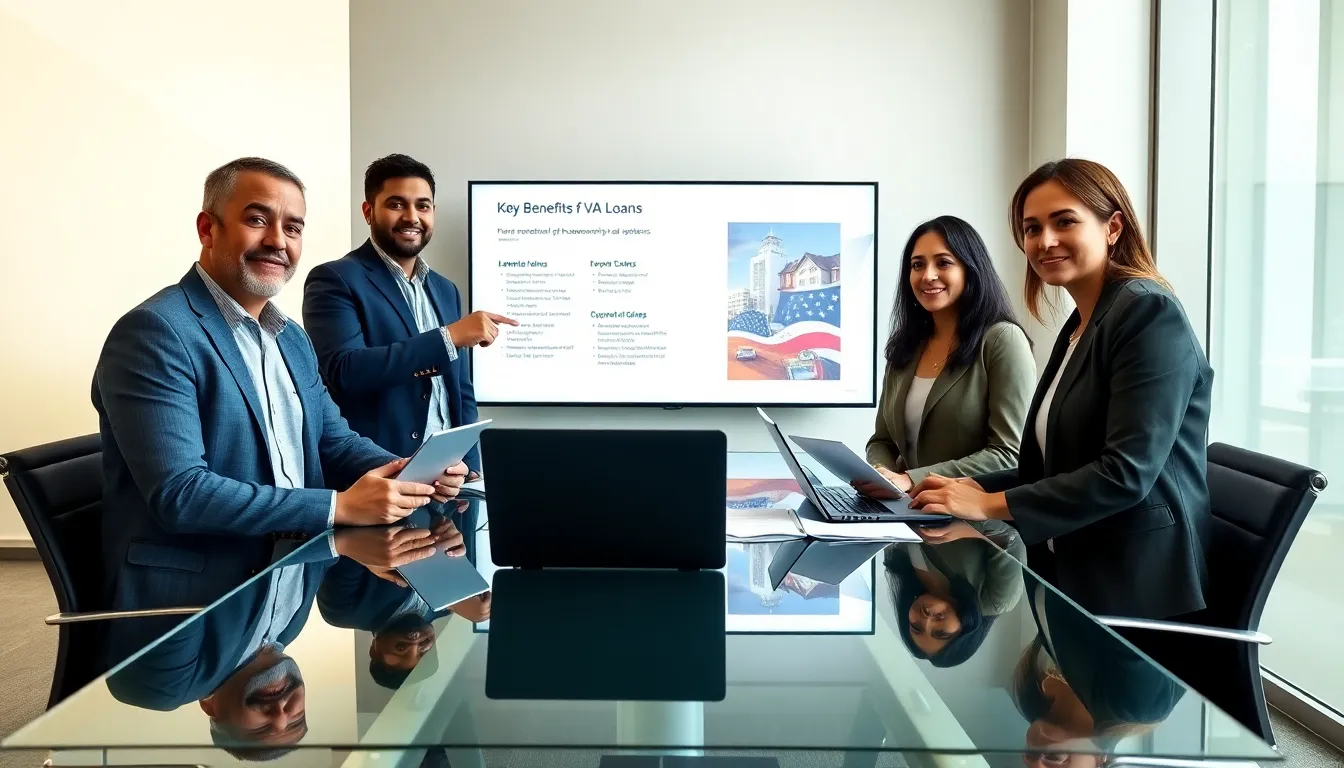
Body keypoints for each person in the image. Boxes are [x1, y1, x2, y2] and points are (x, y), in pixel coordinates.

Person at [93, 157, 468, 614]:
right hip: (193, 602)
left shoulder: (290, 338)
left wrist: (413, 471)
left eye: (293, 228)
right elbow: (182, 494)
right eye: (257, 220)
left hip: (287, 584)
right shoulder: (156, 333)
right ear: (208, 229)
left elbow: (334, 441)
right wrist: (338, 507)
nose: (277, 241)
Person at [909, 158, 1214, 622]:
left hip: (1137, 589)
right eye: (1032, 228)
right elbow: (1057, 466)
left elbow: (1125, 474)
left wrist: (988, 503)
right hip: (1072, 569)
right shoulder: (1080, 324)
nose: (1044, 240)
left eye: (1065, 221)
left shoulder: (1149, 314)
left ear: (1113, 227)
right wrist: (968, 488)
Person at [303, 154, 517, 480]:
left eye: (423, 206)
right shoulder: (335, 279)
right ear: (368, 211)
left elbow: (460, 390)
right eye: (396, 204)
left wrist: (471, 468)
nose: (412, 217)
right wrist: (448, 337)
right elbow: (345, 372)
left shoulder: (445, 289)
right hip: (377, 475)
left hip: (447, 481)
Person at [857, 215, 1035, 495]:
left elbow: (1009, 454)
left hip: (975, 513)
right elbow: (882, 441)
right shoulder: (906, 346)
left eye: (943, 262)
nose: (928, 275)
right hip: (910, 510)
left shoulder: (1002, 339)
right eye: (917, 265)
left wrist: (911, 479)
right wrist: (881, 474)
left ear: (970, 269)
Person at [885, 520, 1026, 667]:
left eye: (916, 626)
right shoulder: (996, 601)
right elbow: (1010, 538)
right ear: (965, 632)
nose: (927, 621)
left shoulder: (899, 568)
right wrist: (967, 528)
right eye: (941, 633)